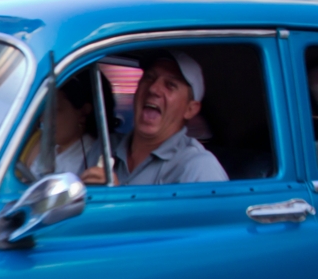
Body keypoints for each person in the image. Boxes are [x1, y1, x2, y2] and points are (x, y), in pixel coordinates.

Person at [82, 51, 227, 185]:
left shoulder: (198, 168)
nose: (153, 89)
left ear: (190, 109)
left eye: (170, 85)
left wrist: (116, 199)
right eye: (149, 77)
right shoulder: (105, 146)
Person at [20, 70, 118, 178]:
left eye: (54, 111)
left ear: (83, 112)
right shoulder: (47, 146)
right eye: (44, 111)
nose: (43, 119)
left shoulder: (90, 158)